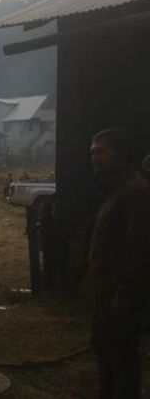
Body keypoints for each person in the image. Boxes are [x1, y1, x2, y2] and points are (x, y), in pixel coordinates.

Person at [87, 128, 150, 399]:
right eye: (92, 152)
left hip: (119, 297)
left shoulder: (135, 193)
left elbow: (140, 250)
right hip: (105, 293)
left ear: (121, 154)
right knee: (107, 356)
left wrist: (125, 296)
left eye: (100, 151)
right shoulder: (117, 190)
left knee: (122, 360)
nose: (94, 158)